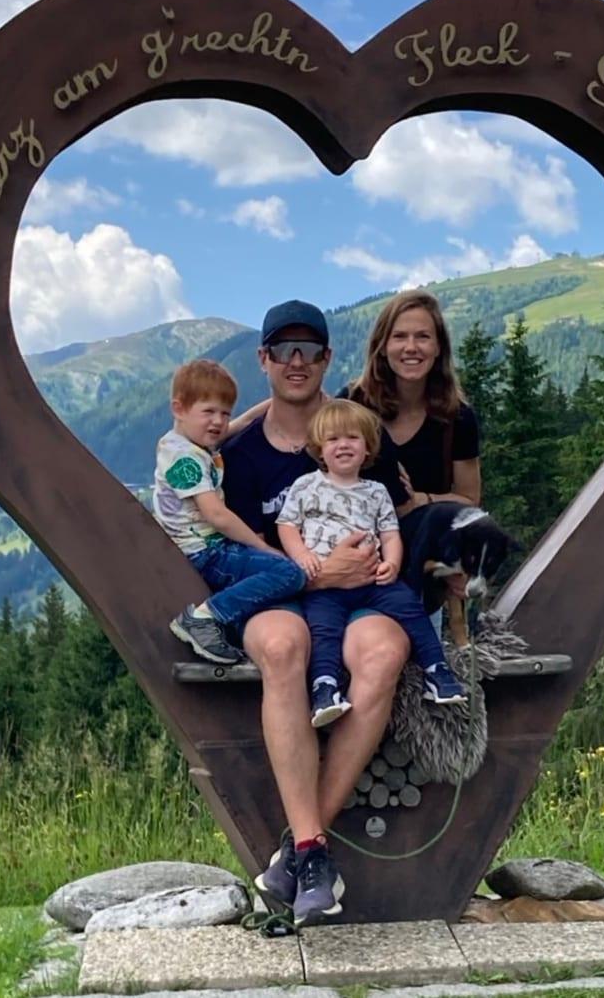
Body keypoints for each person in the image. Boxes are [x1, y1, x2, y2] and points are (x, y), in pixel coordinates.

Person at [220, 300, 414, 927]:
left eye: (309, 350)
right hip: (275, 598)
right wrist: (315, 573)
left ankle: (303, 850)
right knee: (282, 648)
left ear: (328, 358)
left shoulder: (356, 434)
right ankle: (310, 852)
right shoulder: (239, 454)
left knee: (384, 653)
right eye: (284, 350)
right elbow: (228, 544)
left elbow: (396, 518)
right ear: (264, 360)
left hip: (358, 596)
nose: (296, 362)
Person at [277, 399, 466, 728]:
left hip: (373, 580)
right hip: (326, 582)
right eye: (333, 439)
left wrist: (391, 563)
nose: (343, 445)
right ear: (320, 449)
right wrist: (302, 556)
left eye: (352, 438)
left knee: (411, 608)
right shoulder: (306, 486)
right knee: (323, 629)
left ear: (367, 448)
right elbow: (287, 525)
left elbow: (390, 533)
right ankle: (325, 687)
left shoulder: (376, 491)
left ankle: (437, 671)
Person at [154, 359, 307, 665]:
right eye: (209, 412)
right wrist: (262, 546)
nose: (219, 422)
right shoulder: (185, 458)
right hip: (205, 552)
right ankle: (205, 618)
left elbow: (243, 422)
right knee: (289, 573)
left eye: (224, 413)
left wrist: (279, 403)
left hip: (206, 547)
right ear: (179, 409)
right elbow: (217, 515)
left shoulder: (184, 440)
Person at [342, 289, 481, 509]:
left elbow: (470, 499)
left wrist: (419, 500)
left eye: (423, 337)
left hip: (427, 528)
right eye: (399, 336)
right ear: (382, 347)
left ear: (438, 347)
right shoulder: (352, 403)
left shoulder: (457, 417)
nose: (411, 348)